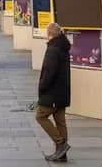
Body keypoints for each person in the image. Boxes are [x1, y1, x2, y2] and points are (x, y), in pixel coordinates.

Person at [37, 23, 71, 162]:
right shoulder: (63, 47)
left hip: (53, 92)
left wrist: (42, 87)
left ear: (49, 34)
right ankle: (62, 154)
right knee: (60, 120)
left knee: (40, 116)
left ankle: (61, 144)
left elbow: (49, 72)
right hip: (62, 91)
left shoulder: (52, 49)